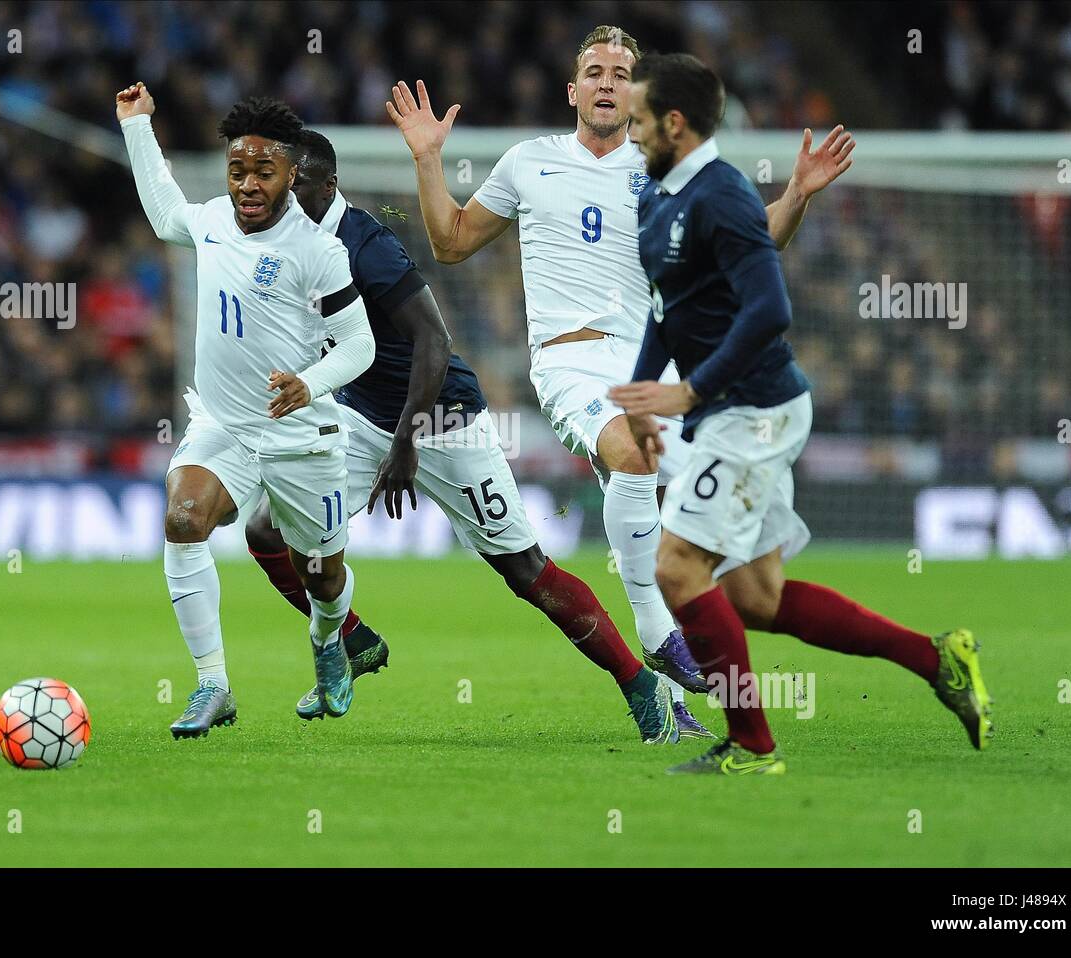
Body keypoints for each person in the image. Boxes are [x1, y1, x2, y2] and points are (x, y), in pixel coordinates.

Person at [385, 25, 853, 726]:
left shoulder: (666, 167)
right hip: (571, 361)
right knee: (632, 452)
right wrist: (427, 159)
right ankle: (658, 634)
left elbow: (749, 247)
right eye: (594, 70)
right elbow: (450, 243)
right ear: (572, 90)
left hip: (651, 365)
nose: (607, 81)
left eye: (621, 72)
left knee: (726, 541)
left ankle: (686, 703)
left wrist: (800, 194)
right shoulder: (528, 162)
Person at [244, 129, 694, 743]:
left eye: (284, 181)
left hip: (441, 420)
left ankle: (638, 684)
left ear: (321, 184)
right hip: (361, 417)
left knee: (524, 570)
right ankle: (353, 640)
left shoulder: (367, 246)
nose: (270, 194)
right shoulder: (284, 243)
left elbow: (434, 340)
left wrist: (406, 443)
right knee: (267, 530)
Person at [610, 53, 992, 775]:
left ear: (675, 123)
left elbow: (770, 307)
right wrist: (639, 399)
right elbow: (668, 310)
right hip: (727, 410)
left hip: (755, 410)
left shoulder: (719, 194)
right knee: (756, 598)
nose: (629, 134)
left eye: (637, 121)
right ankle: (936, 657)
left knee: (676, 568)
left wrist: (690, 393)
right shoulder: (658, 196)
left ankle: (753, 746)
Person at [118, 84, 376, 737]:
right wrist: (137, 127)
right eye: (238, 171)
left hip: (302, 435)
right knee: (183, 519)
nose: (248, 184)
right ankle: (212, 685)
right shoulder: (209, 223)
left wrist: (311, 384)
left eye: (263, 171)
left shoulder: (318, 251)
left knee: (321, 577)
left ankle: (328, 642)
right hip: (225, 425)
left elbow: (360, 345)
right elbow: (164, 214)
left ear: (291, 172)